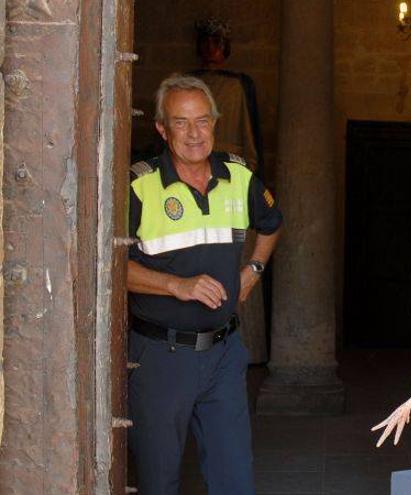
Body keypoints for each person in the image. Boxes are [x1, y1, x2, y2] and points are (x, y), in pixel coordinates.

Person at [126, 74, 281, 495]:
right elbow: (108, 270)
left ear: (214, 121)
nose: (194, 134)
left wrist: (254, 270)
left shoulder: (240, 176)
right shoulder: (138, 186)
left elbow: (271, 225)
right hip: (160, 356)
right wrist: (177, 285)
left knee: (235, 480)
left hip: (224, 354)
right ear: (161, 128)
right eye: (180, 122)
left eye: (202, 121)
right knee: (159, 481)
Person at [189, 17, 269, 364]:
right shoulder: (187, 84)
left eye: (217, 42)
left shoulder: (238, 86)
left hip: (230, 180)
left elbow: (250, 140)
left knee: (238, 257)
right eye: (207, 41)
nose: (211, 49)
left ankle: (244, 343)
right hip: (190, 177)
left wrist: (248, 181)